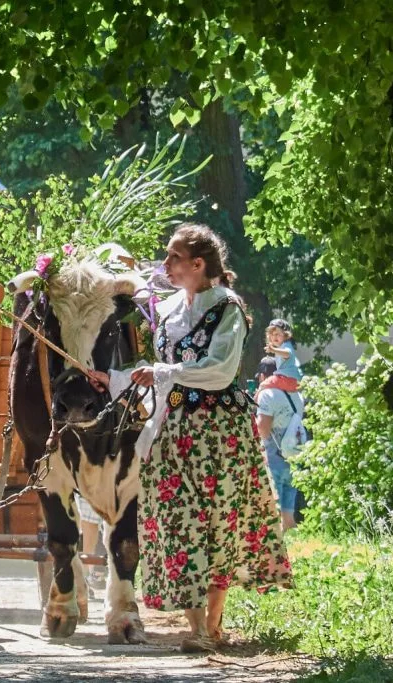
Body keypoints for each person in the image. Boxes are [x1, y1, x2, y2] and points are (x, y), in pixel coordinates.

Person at [89, 223, 293, 653]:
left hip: (218, 430)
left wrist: (163, 371)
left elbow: (219, 370)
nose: (165, 265)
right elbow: (160, 375)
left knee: (219, 522)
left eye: (173, 257)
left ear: (198, 264)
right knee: (178, 524)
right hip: (173, 429)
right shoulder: (166, 311)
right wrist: (114, 378)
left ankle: (212, 626)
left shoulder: (227, 309)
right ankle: (196, 625)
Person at [255, 358, 305, 531]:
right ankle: (289, 525)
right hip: (296, 445)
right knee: (289, 486)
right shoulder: (294, 391)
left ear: (262, 376)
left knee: (275, 487)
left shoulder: (267, 394)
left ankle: (277, 529)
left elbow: (263, 426)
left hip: (276, 450)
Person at [260, 319, 303, 392]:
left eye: (277, 334)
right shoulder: (281, 347)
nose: (274, 337)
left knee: (263, 385)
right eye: (272, 334)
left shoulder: (286, 345)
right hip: (289, 379)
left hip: (288, 379)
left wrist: (273, 350)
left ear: (286, 335)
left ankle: (253, 403)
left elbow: (287, 353)